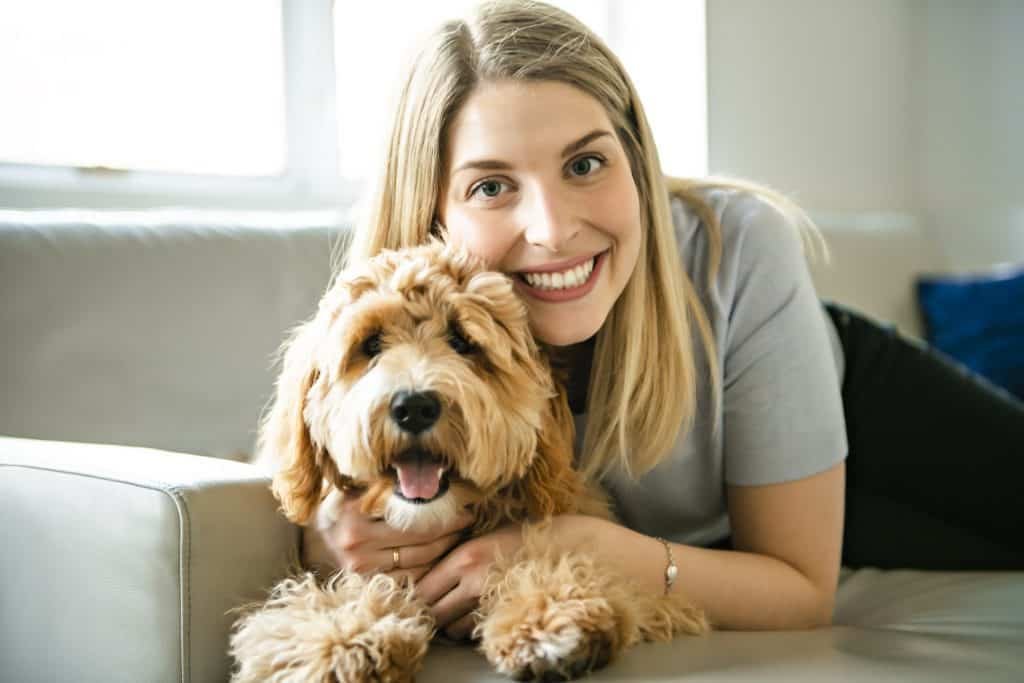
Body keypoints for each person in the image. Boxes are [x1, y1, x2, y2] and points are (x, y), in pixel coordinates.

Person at [302, 0, 1024, 640]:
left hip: (842, 410)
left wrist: (574, 545)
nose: (552, 230)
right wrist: (322, 536)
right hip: (738, 534)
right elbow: (300, 472)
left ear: (638, 164)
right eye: (491, 186)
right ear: (432, 209)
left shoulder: (739, 246)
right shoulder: (384, 327)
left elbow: (804, 590)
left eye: (585, 165)